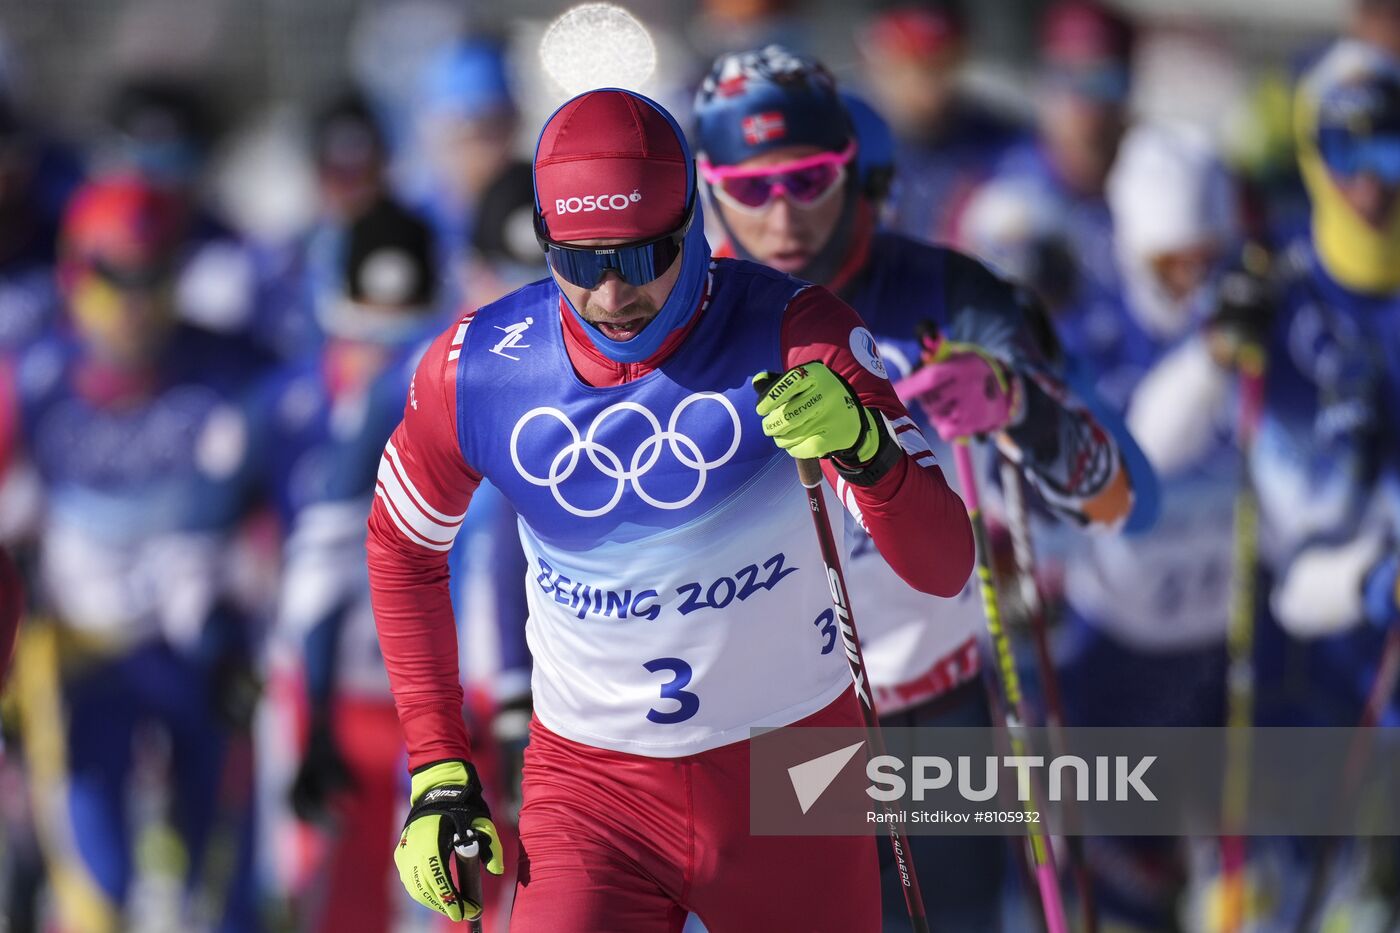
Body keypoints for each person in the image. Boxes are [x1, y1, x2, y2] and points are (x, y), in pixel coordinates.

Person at [368, 85, 977, 930]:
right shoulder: (476, 371)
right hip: (591, 788)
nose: (613, 294)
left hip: (795, 772)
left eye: (643, 255)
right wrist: (439, 768)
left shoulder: (798, 332)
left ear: (692, 222)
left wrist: (867, 447)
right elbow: (402, 548)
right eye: (581, 262)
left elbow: (945, 566)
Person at [691, 45, 1154, 931]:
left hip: (930, 712)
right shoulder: (695, 319)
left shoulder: (946, 292)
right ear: (708, 185)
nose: (783, 214)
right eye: (750, 188)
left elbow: (1113, 499)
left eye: (810, 178)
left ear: (852, 167)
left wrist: (1014, 401)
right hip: (764, 724)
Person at [0, 176, 268, 932]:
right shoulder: (32, 378)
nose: (137, 303)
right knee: (95, 888)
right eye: (116, 278)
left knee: (219, 887)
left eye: (157, 276)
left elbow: (291, 502)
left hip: (203, 655)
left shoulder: (233, 372)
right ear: (74, 276)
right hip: (85, 659)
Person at [1052, 121, 1245, 927]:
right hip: (1117, 653)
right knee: (1125, 872)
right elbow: (1133, 470)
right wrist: (1210, 362)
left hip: (1220, 648)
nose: (1193, 282)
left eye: (1209, 258)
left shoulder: (1249, 320)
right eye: (1173, 264)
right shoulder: (1092, 333)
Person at [856, 2, 1026, 244]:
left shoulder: (998, 142)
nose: (931, 87)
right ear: (879, 64)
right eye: (915, 66)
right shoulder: (844, 139)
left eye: (944, 66)